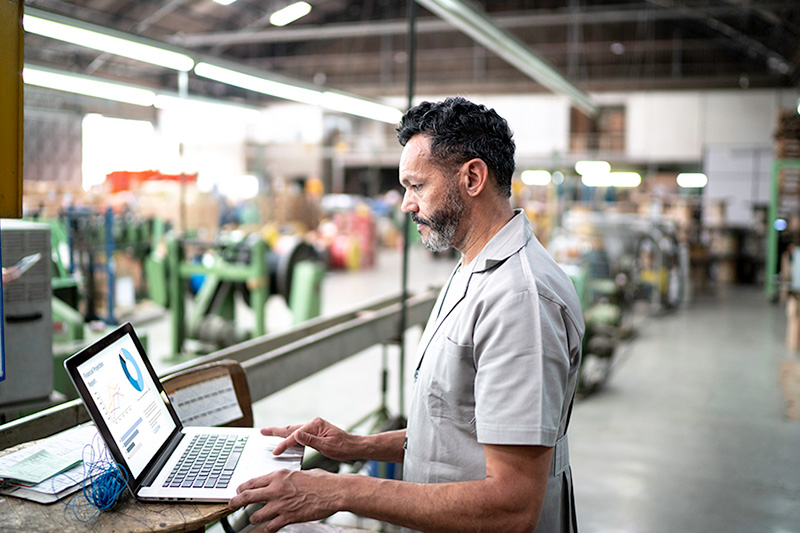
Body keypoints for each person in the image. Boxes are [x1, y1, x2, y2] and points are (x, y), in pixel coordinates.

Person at [228, 97, 585, 532]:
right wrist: (358, 445)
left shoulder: (519, 299)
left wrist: (342, 491)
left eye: (416, 186)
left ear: (472, 177)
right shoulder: (474, 266)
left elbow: (513, 505)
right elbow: (459, 434)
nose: (405, 205)